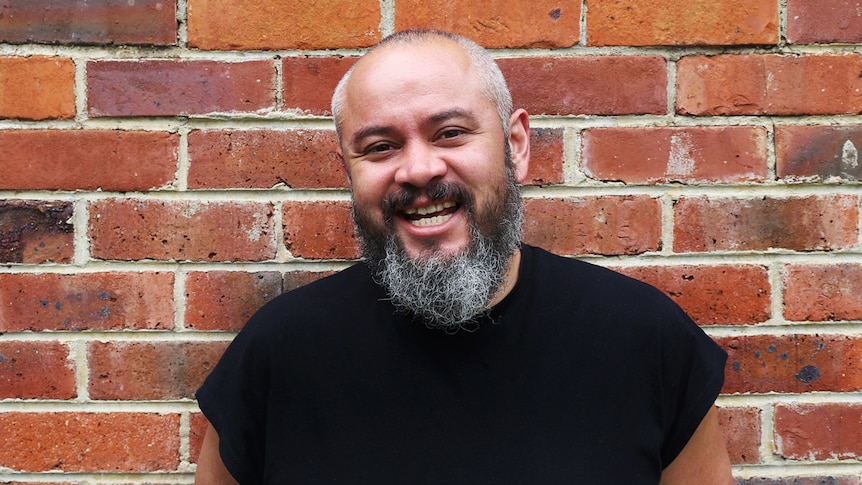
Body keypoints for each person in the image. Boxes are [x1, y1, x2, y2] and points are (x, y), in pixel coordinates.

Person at [195, 29, 732, 484]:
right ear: (348, 172)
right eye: (380, 146)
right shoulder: (276, 355)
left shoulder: (645, 340)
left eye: (450, 132)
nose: (419, 170)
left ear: (516, 145)